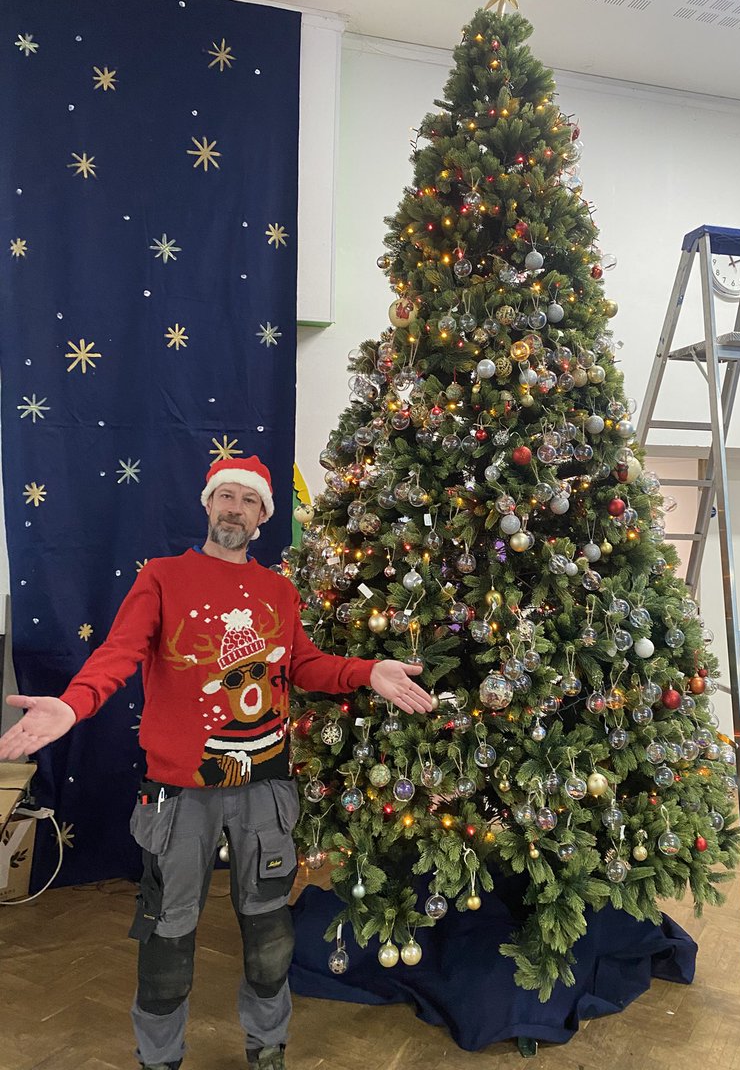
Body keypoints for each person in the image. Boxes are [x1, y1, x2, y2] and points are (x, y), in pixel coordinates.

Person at [0, 455, 433, 1070]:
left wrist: (367, 672)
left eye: (248, 501)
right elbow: (120, 652)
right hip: (180, 793)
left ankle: (267, 1049)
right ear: (208, 505)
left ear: (262, 518)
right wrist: (72, 707)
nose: (234, 508)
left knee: (268, 938)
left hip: (266, 789)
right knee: (168, 937)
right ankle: (160, 1058)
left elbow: (301, 664)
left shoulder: (279, 590)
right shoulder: (163, 576)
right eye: (225, 496)